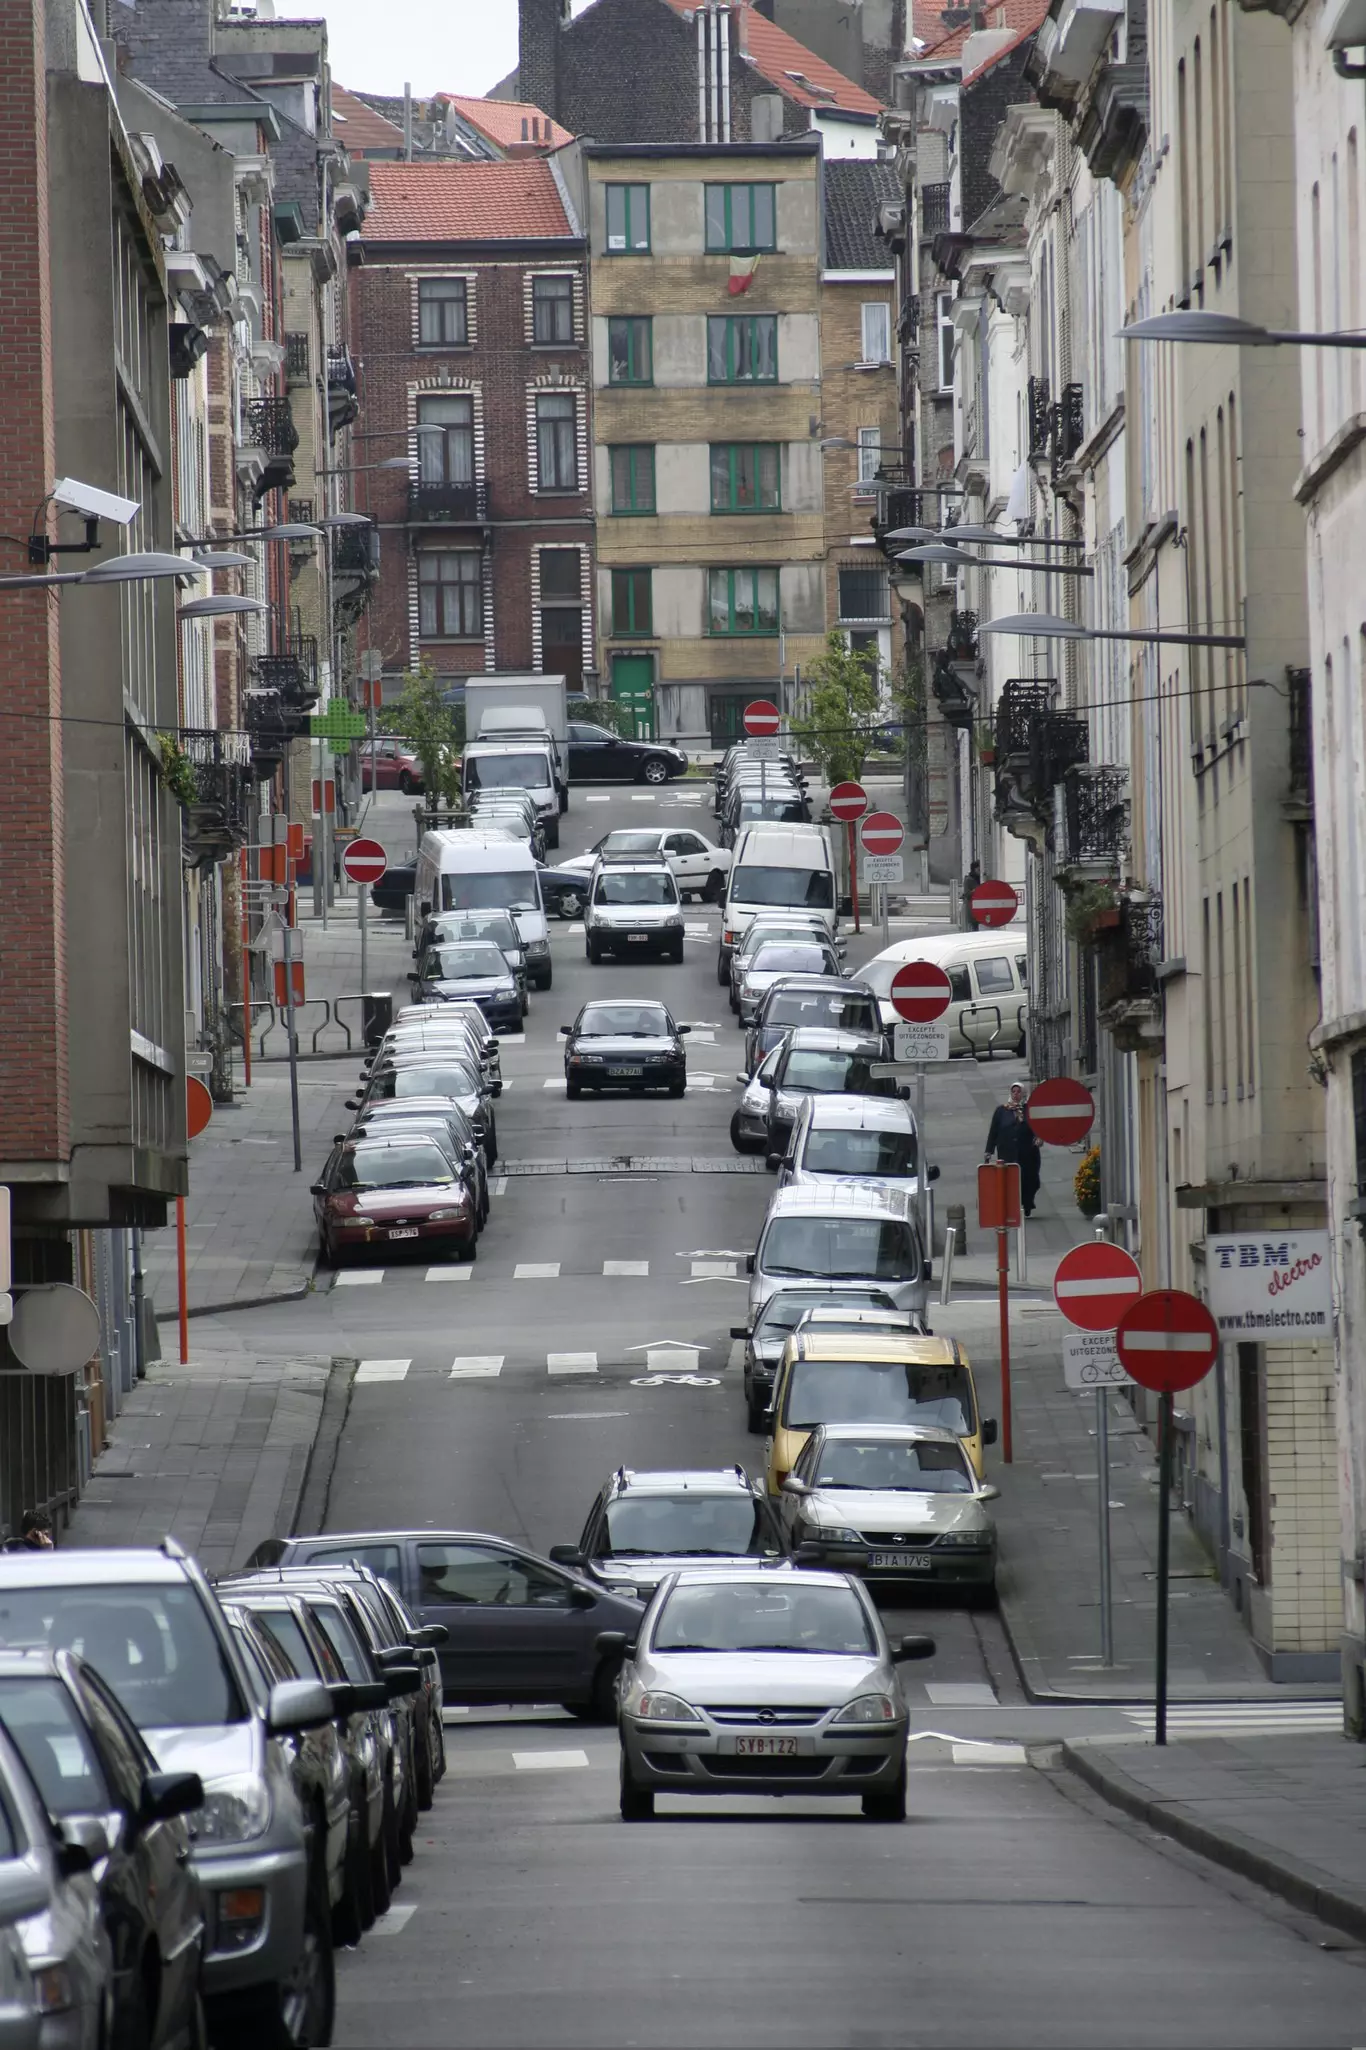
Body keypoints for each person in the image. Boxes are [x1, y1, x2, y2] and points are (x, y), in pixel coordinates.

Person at [985, 1082, 1042, 1217]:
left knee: (1030, 1179)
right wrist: (989, 1151)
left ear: (1024, 1094)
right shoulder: (1001, 1111)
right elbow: (994, 1131)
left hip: (1028, 1152)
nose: (1016, 1095)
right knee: (1010, 1180)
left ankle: (1027, 1203)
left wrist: (1039, 1138)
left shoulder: (1030, 1109)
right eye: (1014, 1092)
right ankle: (1012, 1206)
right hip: (1007, 1152)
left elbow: (1039, 1127)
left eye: (1019, 1092)